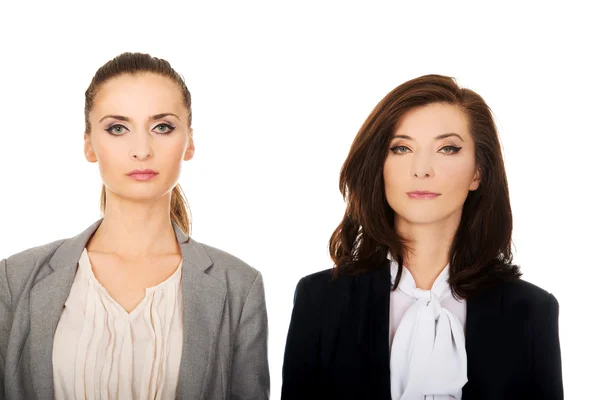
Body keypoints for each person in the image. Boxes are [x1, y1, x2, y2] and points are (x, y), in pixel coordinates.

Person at [0, 52, 269, 400]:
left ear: (189, 142)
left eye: (162, 127)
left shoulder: (239, 287)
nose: (141, 150)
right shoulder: (14, 279)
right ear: (89, 145)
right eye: (117, 128)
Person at [281, 74, 563, 399]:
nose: (421, 169)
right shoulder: (320, 301)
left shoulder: (531, 311)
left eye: (447, 148)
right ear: (379, 165)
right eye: (401, 148)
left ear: (477, 172)